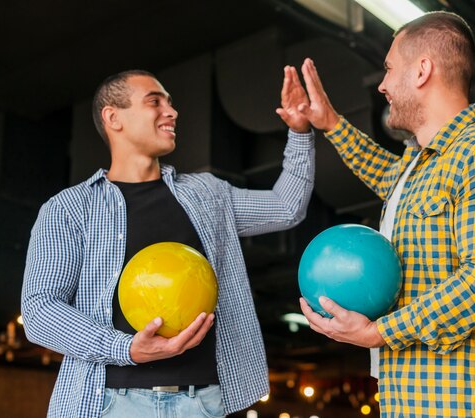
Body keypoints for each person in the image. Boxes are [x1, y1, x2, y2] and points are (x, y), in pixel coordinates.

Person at [21, 68, 315, 417]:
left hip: (201, 404)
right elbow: (39, 310)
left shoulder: (208, 194)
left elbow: (287, 207)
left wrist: (299, 131)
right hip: (109, 404)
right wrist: (126, 348)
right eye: (154, 102)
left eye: (171, 103)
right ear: (113, 118)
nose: (172, 112)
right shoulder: (70, 209)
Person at [294, 11, 475, 417]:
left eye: (388, 69)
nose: (383, 84)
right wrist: (330, 123)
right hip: (404, 398)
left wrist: (379, 332)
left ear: (422, 70)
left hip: (460, 404)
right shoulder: (416, 164)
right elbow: (382, 171)